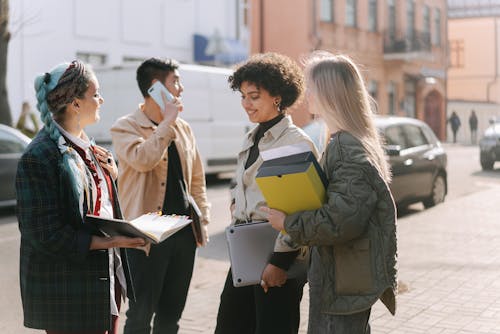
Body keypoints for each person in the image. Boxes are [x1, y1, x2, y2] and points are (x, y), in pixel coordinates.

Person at [263, 52, 398, 334]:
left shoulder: (347, 147)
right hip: (344, 280)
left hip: (343, 285)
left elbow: (341, 222)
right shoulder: (348, 140)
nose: (307, 94)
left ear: (329, 93)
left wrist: (287, 223)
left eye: (312, 87)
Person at [16, 60, 147, 334]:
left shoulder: (89, 148)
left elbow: (98, 208)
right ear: (75, 104)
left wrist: (112, 175)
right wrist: (112, 241)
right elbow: (44, 235)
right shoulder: (39, 156)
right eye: (96, 94)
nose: (102, 99)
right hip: (69, 295)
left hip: (103, 285)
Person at [215, 52, 318, 334]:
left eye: (254, 96)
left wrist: (278, 262)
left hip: (279, 261)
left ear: (277, 97)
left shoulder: (296, 142)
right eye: (243, 96)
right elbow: (242, 185)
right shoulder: (251, 138)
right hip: (245, 254)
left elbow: (302, 209)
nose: (246, 104)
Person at [110, 57, 210, 334]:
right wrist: (166, 123)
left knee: (171, 317)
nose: (181, 88)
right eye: (175, 82)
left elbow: (197, 179)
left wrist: (204, 217)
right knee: (141, 315)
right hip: (146, 234)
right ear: (156, 88)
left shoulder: (184, 128)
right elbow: (144, 159)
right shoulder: (125, 126)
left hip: (183, 232)